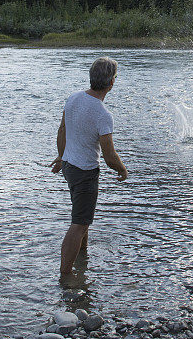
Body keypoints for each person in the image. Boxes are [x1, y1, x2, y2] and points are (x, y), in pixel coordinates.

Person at [50, 56, 128, 281]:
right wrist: (122, 170)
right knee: (80, 222)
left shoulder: (73, 98)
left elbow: (62, 130)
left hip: (69, 166)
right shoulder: (103, 114)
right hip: (84, 172)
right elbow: (109, 155)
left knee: (82, 216)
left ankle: (82, 258)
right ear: (111, 83)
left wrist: (61, 155)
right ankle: (66, 276)